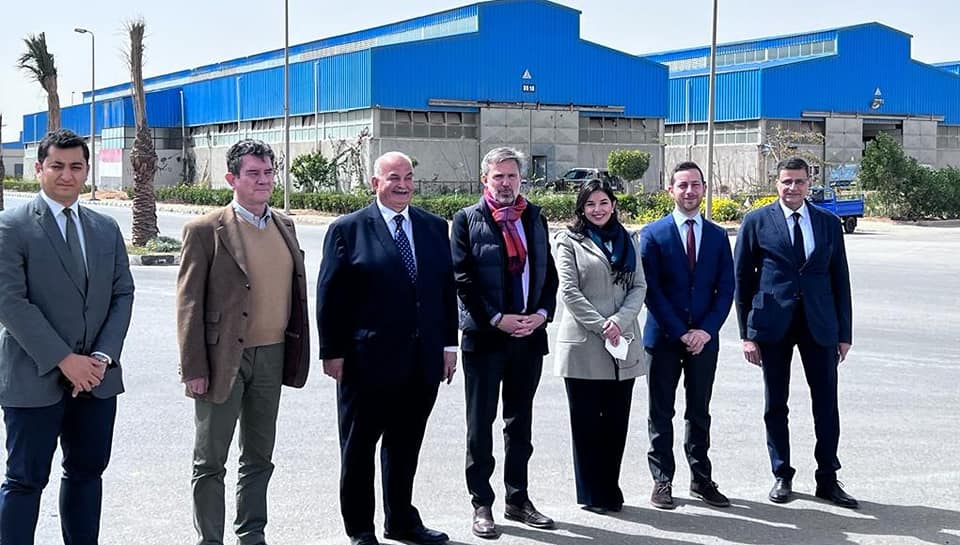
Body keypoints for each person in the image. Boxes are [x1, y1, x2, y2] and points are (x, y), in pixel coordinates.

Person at [0, 128, 135, 544]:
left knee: (86, 474)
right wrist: (65, 360)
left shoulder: (105, 228)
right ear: (39, 169)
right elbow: (10, 302)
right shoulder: (11, 226)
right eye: (56, 166)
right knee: (24, 480)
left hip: (96, 380)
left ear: (86, 171)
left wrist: (102, 358)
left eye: (76, 166)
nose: (66, 175)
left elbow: (122, 293)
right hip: (33, 378)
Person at [316, 151, 457, 545]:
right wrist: (332, 351)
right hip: (366, 362)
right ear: (375, 182)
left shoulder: (433, 227)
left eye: (408, 177)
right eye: (394, 177)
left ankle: (402, 521)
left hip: (422, 360)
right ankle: (360, 530)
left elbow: (444, 290)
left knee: (405, 445)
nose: (403, 185)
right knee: (359, 448)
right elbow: (330, 296)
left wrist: (449, 345)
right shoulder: (348, 229)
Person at [177, 139, 310, 545]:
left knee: (259, 456)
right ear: (231, 178)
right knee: (210, 460)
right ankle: (210, 540)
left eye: (269, 172)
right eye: (253, 173)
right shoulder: (205, 230)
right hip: (222, 359)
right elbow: (189, 303)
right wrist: (194, 368)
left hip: (272, 355)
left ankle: (251, 534)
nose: (263, 180)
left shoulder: (284, 225)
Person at [734, 156, 857, 508]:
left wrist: (844, 333)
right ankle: (782, 474)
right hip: (773, 325)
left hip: (820, 325)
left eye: (799, 181)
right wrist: (746, 334)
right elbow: (742, 280)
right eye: (786, 181)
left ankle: (827, 478)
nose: (792, 188)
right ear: (777, 183)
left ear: (809, 184)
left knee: (826, 404)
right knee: (776, 403)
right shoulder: (756, 221)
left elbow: (840, 279)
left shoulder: (828, 223)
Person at [451, 147, 559, 539]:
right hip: (485, 339)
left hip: (528, 337)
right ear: (485, 179)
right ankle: (482, 503)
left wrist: (541, 314)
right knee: (480, 425)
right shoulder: (467, 220)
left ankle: (518, 498)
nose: (506, 183)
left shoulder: (535, 217)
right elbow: (462, 279)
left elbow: (548, 274)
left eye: (512, 176)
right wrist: (497, 319)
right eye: (498, 176)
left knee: (520, 423)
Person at [640, 161, 735, 510]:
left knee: (699, 412)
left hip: (704, 342)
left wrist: (706, 331)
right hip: (663, 339)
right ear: (671, 190)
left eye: (695, 184)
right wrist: (681, 332)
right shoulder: (653, 234)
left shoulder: (718, 236)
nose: (689, 191)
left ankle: (701, 478)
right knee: (660, 412)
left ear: (704, 188)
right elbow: (651, 291)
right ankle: (662, 479)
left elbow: (726, 289)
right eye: (682, 185)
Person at [553, 179, 646, 514]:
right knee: (587, 424)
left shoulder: (629, 239)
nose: (598, 209)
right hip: (585, 344)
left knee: (616, 422)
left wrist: (619, 322)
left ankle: (610, 487)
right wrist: (601, 325)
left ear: (613, 205)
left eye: (603, 202)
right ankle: (591, 492)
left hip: (622, 342)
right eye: (590, 204)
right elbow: (569, 291)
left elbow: (639, 286)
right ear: (581, 208)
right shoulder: (568, 241)